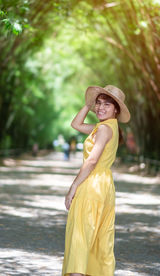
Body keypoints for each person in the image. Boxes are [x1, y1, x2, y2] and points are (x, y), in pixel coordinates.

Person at [62, 85, 130, 276]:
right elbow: (76, 125)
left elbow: (92, 160)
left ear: (116, 109)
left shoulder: (103, 130)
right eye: (98, 103)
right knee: (99, 241)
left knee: (80, 240)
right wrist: (88, 105)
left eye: (106, 104)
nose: (100, 107)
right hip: (105, 186)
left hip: (92, 186)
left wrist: (73, 186)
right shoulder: (107, 128)